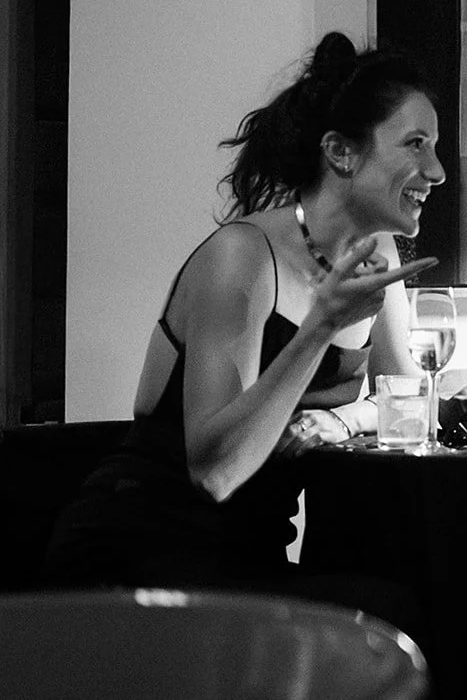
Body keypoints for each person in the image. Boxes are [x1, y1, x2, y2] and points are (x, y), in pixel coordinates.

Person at [44, 32, 443, 598]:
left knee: (410, 602)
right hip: (144, 546)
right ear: (341, 153)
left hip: (251, 551)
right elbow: (216, 472)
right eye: (415, 145)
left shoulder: (376, 252)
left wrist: (343, 420)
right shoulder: (244, 257)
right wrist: (322, 327)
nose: (437, 171)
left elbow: (410, 403)